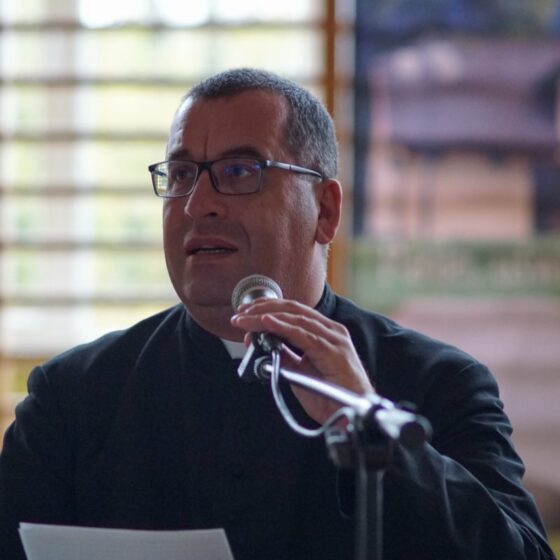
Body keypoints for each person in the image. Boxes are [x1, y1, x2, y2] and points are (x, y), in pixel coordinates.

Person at [0, 67, 555, 560]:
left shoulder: (438, 383)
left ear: (325, 211)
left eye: (240, 171)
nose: (198, 204)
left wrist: (367, 427)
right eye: (183, 175)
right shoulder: (73, 398)